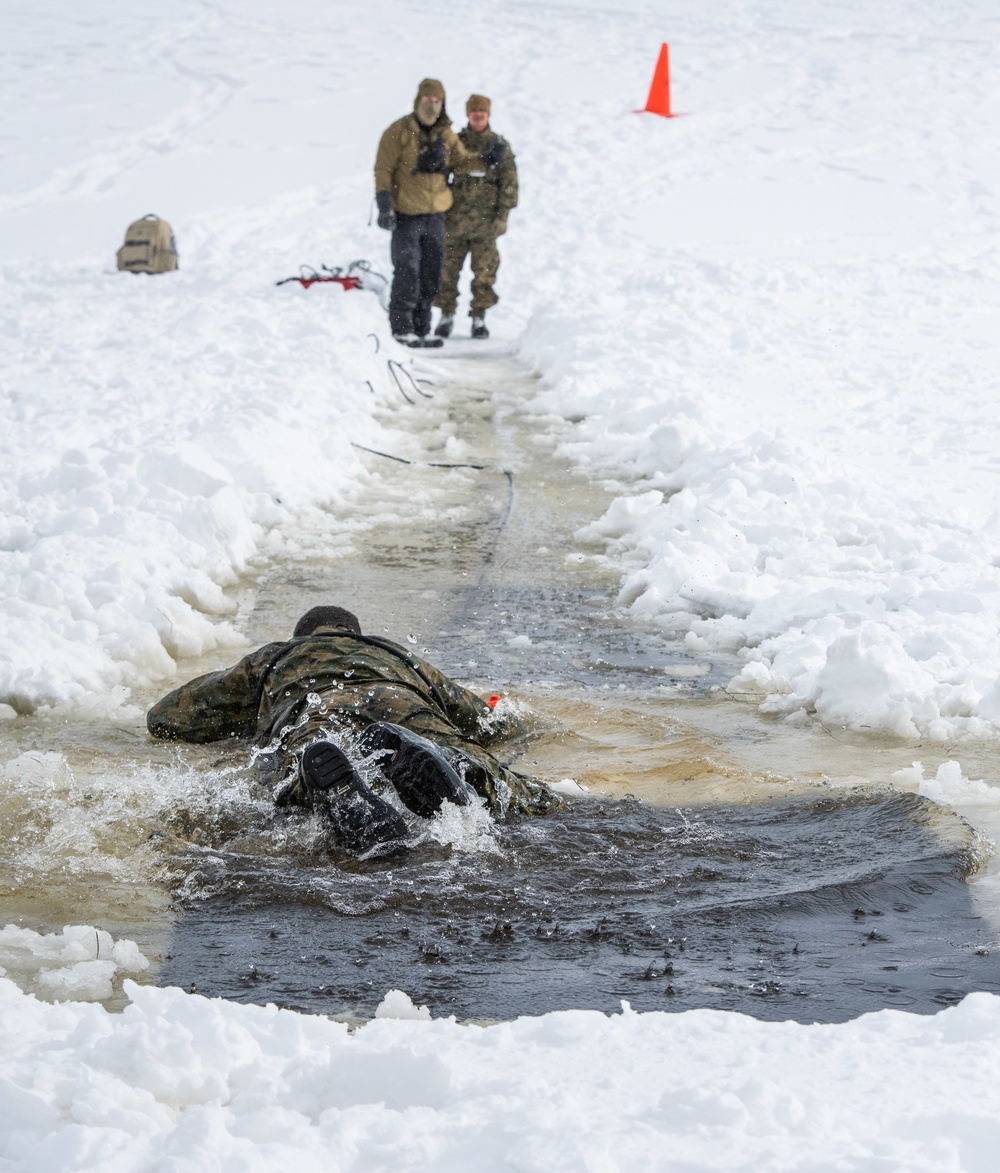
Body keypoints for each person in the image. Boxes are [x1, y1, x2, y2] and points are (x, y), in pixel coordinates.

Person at [147, 605, 555, 856]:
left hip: (317, 706)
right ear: (354, 634)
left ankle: (335, 795)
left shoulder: (277, 656)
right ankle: (458, 772)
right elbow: (485, 719)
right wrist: (515, 716)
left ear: (303, 636)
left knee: (298, 771)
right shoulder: (396, 655)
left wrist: (246, 709)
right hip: (400, 699)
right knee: (465, 751)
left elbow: (168, 718)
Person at [435, 95, 517, 341]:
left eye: (482, 112)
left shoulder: (499, 146)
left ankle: (479, 317)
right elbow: (438, 179)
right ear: (468, 114)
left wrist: (502, 217)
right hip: (454, 223)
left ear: (489, 115)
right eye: (474, 112)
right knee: (447, 271)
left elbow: (510, 185)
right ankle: (446, 315)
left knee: (484, 273)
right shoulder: (455, 143)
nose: (478, 115)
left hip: (485, 225)